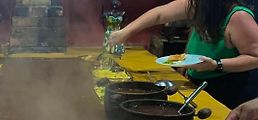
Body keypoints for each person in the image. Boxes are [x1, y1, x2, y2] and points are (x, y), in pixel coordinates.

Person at [108, 0, 258, 109]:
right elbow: (160, 14)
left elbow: (255, 57)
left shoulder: (239, 17)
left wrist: (216, 65)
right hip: (198, 81)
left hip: (228, 88)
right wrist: (125, 32)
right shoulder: (198, 6)